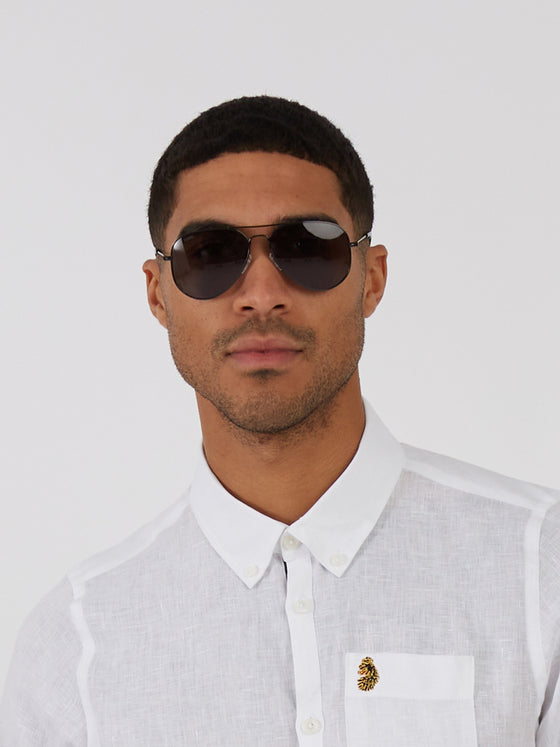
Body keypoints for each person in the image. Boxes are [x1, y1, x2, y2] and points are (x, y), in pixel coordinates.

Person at [1, 95, 559, 747]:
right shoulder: (78, 646)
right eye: (209, 254)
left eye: (308, 248)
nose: (262, 295)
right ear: (158, 292)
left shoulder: (539, 571)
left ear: (371, 278)